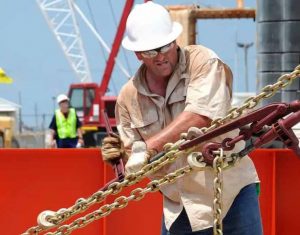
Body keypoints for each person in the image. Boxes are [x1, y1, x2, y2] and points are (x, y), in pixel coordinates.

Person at [101, 2, 262, 235]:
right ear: (137, 54)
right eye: (150, 51)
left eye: (165, 47)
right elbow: (136, 161)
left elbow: (201, 115)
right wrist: (121, 156)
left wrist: (147, 148)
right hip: (180, 207)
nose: (160, 57)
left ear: (175, 41)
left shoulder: (202, 61)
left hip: (232, 194)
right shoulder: (128, 99)